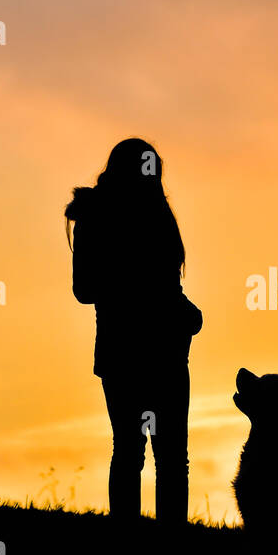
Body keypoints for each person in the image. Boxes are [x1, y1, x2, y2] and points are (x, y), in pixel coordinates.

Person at [65, 138, 201, 527]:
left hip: (157, 351)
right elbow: (85, 289)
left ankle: (154, 546)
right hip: (136, 351)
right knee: (143, 453)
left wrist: (182, 309)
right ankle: (133, 546)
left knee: (160, 455)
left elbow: (166, 287)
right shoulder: (101, 217)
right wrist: (156, 299)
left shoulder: (149, 215)